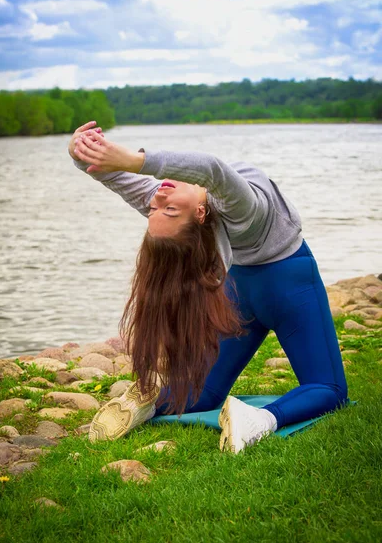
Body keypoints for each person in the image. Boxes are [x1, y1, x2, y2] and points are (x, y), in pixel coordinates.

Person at [68, 121, 348, 453]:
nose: (158, 197)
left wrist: (82, 154)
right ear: (200, 213)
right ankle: (259, 420)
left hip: (238, 293)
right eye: (164, 208)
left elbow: (115, 177)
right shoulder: (241, 211)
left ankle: (151, 401)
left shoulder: (177, 205)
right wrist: (130, 159)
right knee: (328, 388)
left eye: (159, 208)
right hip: (288, 285)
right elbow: (213, 170)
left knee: (205, 393)